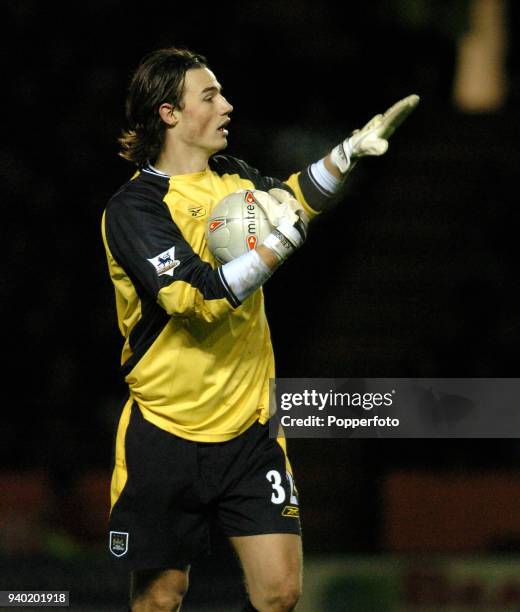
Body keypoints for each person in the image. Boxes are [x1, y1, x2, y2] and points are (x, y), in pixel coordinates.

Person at [101, 46, 419, 612]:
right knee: (160, 599)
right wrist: (276, 249)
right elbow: (195, 297)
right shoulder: (135, 209)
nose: (227, 104)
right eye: (210, 95)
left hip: (250, 428)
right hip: (165, 433)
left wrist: (345, 154)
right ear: (169, 114)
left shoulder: (232, 176)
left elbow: (290, 200)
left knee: (279, 594)